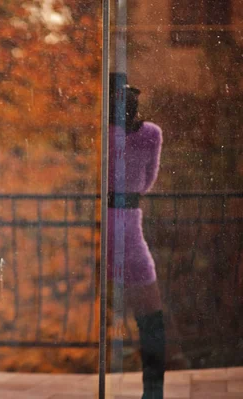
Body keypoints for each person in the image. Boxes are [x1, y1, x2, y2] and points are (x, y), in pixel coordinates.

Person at [108, 72, 165, 399]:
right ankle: (153, 391)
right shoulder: (150, 134)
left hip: (101, 229)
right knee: (149, 315)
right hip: (129, 228)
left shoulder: (103, 134)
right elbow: (146, 184)